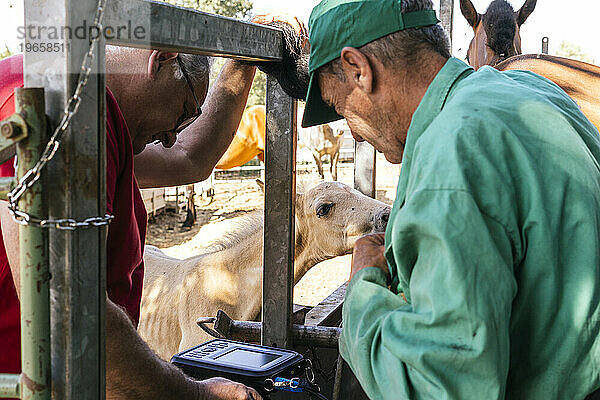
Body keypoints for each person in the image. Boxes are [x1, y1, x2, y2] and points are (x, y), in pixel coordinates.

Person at [301, 0, 600, 398]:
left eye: (342, 108)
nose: (353, 134)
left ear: (359, 69)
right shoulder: (534, 90)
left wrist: (363, 293)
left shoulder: (451, 157)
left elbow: (440, 387)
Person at [0, 13, 308, 398]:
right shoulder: (64, 108)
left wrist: (241, 64)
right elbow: (70, 311)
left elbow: (189, 157)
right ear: (161, 58)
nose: (168, 138)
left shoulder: (99, 121)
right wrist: (195, 395)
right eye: (181, 113)